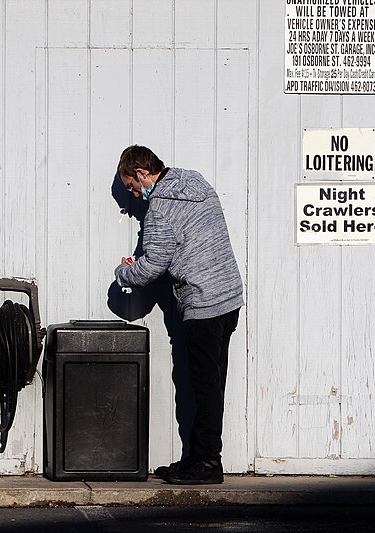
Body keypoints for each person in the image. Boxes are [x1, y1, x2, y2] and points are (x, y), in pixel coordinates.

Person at [114, 145, 243, 485]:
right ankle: (200, 458)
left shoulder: (159, 210)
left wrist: (124, 273)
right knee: (213, 384)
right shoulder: (195, 181)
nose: (131, 201)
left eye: (130, 187)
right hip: (229, 297)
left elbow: (153, 265)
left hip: (203, 304)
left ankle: (206, 463)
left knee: (202, 387)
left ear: (142, 174)